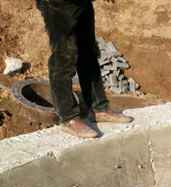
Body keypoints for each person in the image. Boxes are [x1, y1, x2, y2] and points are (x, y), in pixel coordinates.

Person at [36, 0, 132, 139]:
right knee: (64, 55)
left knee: (88, 51)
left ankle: (98, 108)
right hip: (57, 5)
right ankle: (68, 117)